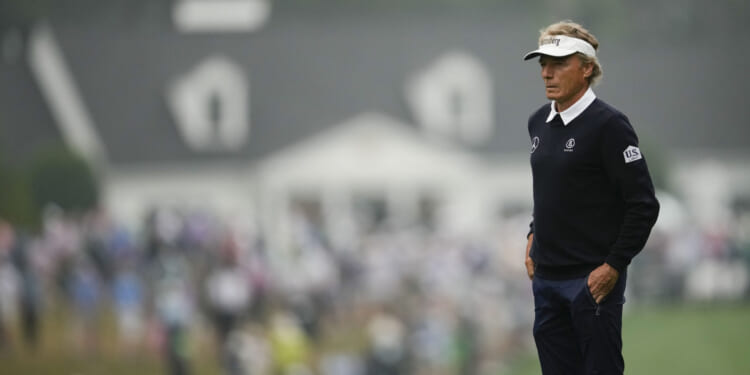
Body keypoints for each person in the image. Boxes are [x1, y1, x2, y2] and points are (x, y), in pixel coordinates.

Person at [522, 21, 660, 374]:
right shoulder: (538, 122)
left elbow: (643, 204)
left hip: (591, 280)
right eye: (542, 64)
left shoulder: (609, 125)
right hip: (547, 280)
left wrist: (613, 265)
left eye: (558, 64)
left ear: (586, 69)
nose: (546, 74)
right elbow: (556, 191)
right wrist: (533, 233)